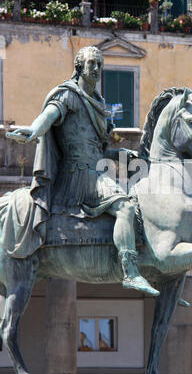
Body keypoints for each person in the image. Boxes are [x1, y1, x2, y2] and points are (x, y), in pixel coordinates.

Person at [7, 45, 159, 297]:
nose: (97, 69)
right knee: (126, 207)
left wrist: (120, 156)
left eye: (100, 64)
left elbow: (97, 151)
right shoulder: (68, 95)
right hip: (78, 175)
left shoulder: (98, 103)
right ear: (79, 66)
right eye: (92, 64)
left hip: (95, 169)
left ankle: (156, 271)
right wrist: (34, 130)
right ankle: (131, 272)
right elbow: (49, 115)